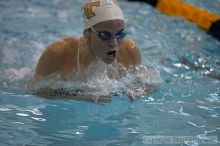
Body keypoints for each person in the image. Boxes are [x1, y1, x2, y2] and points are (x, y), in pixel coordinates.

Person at [34, 0, 146, 102]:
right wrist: (78, 96)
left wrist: (138, 90)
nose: (114, 43)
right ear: (87, 34)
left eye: (120, 34)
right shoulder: (57, 54)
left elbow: (150, 83)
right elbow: (36, 90)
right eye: (105, 35)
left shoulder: (130, 51)